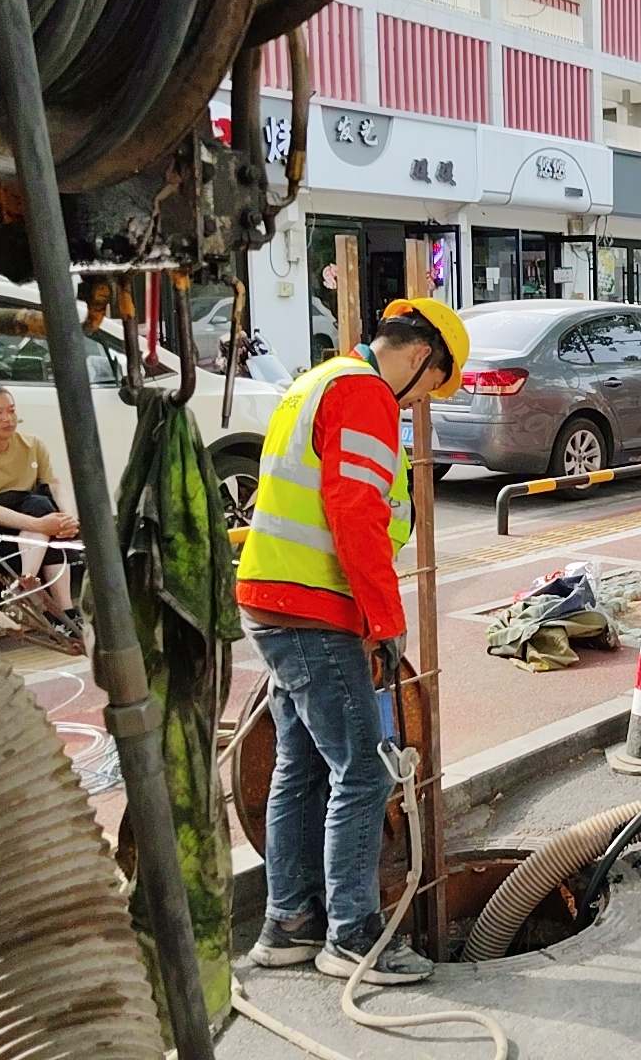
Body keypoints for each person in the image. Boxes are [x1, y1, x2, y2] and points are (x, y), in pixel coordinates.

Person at [237, 299, 467, 984]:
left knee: (301, 769)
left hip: (272, 600)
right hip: (316, 611)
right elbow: (356, 516)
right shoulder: (365, 394)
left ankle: (290, 923)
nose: (424, 399)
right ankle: (354, 936)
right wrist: (384, 620)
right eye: (432, 384)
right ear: (421, 355)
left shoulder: (317, 380)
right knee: (363, 771)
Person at [0, 384, 81, 644]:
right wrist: (42, 524)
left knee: (45, 509)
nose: (8, 418)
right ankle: (47, 600)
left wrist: (68, 517)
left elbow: (56, 483)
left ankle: (53, 604)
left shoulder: (32, 444)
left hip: (31, 534)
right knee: (41, 510)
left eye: (11, 411)